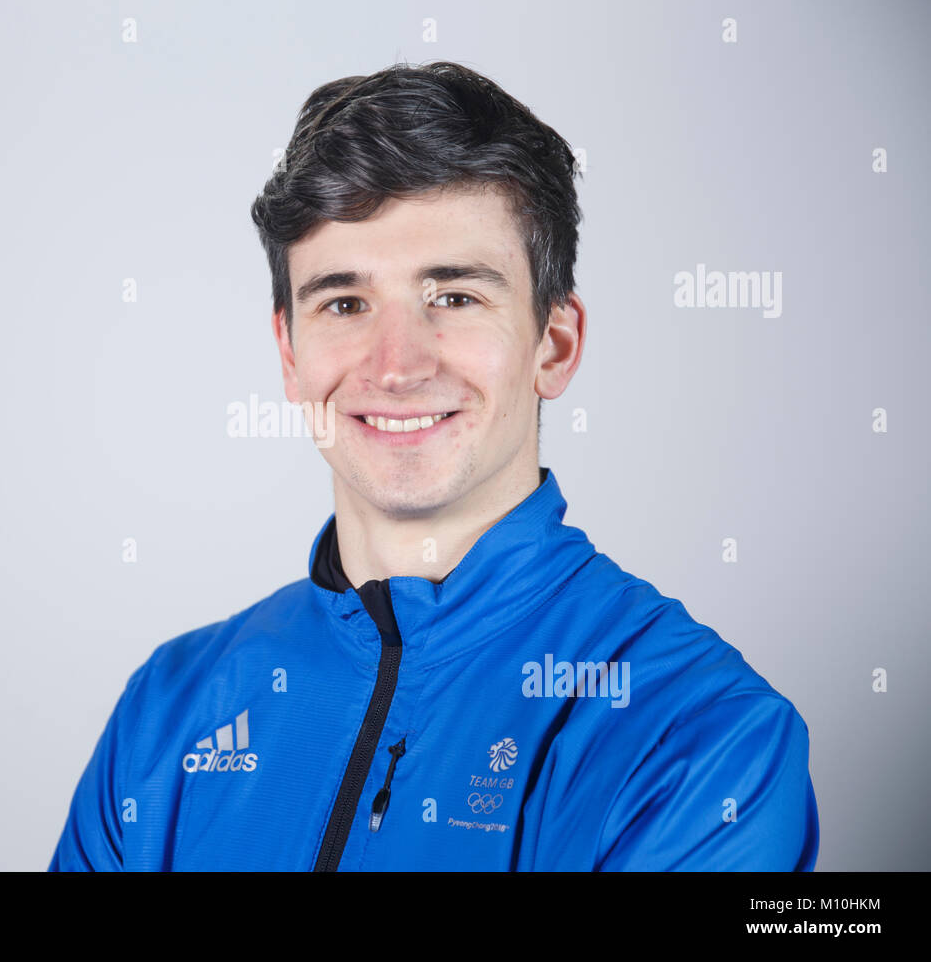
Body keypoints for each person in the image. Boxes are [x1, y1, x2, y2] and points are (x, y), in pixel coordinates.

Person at [48, 61, 819, 871]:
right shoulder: (168, 712)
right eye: (344, 303)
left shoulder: (702, 736)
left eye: (453, 297)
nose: (396, 366)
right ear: (289, 353)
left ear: (554, 345)